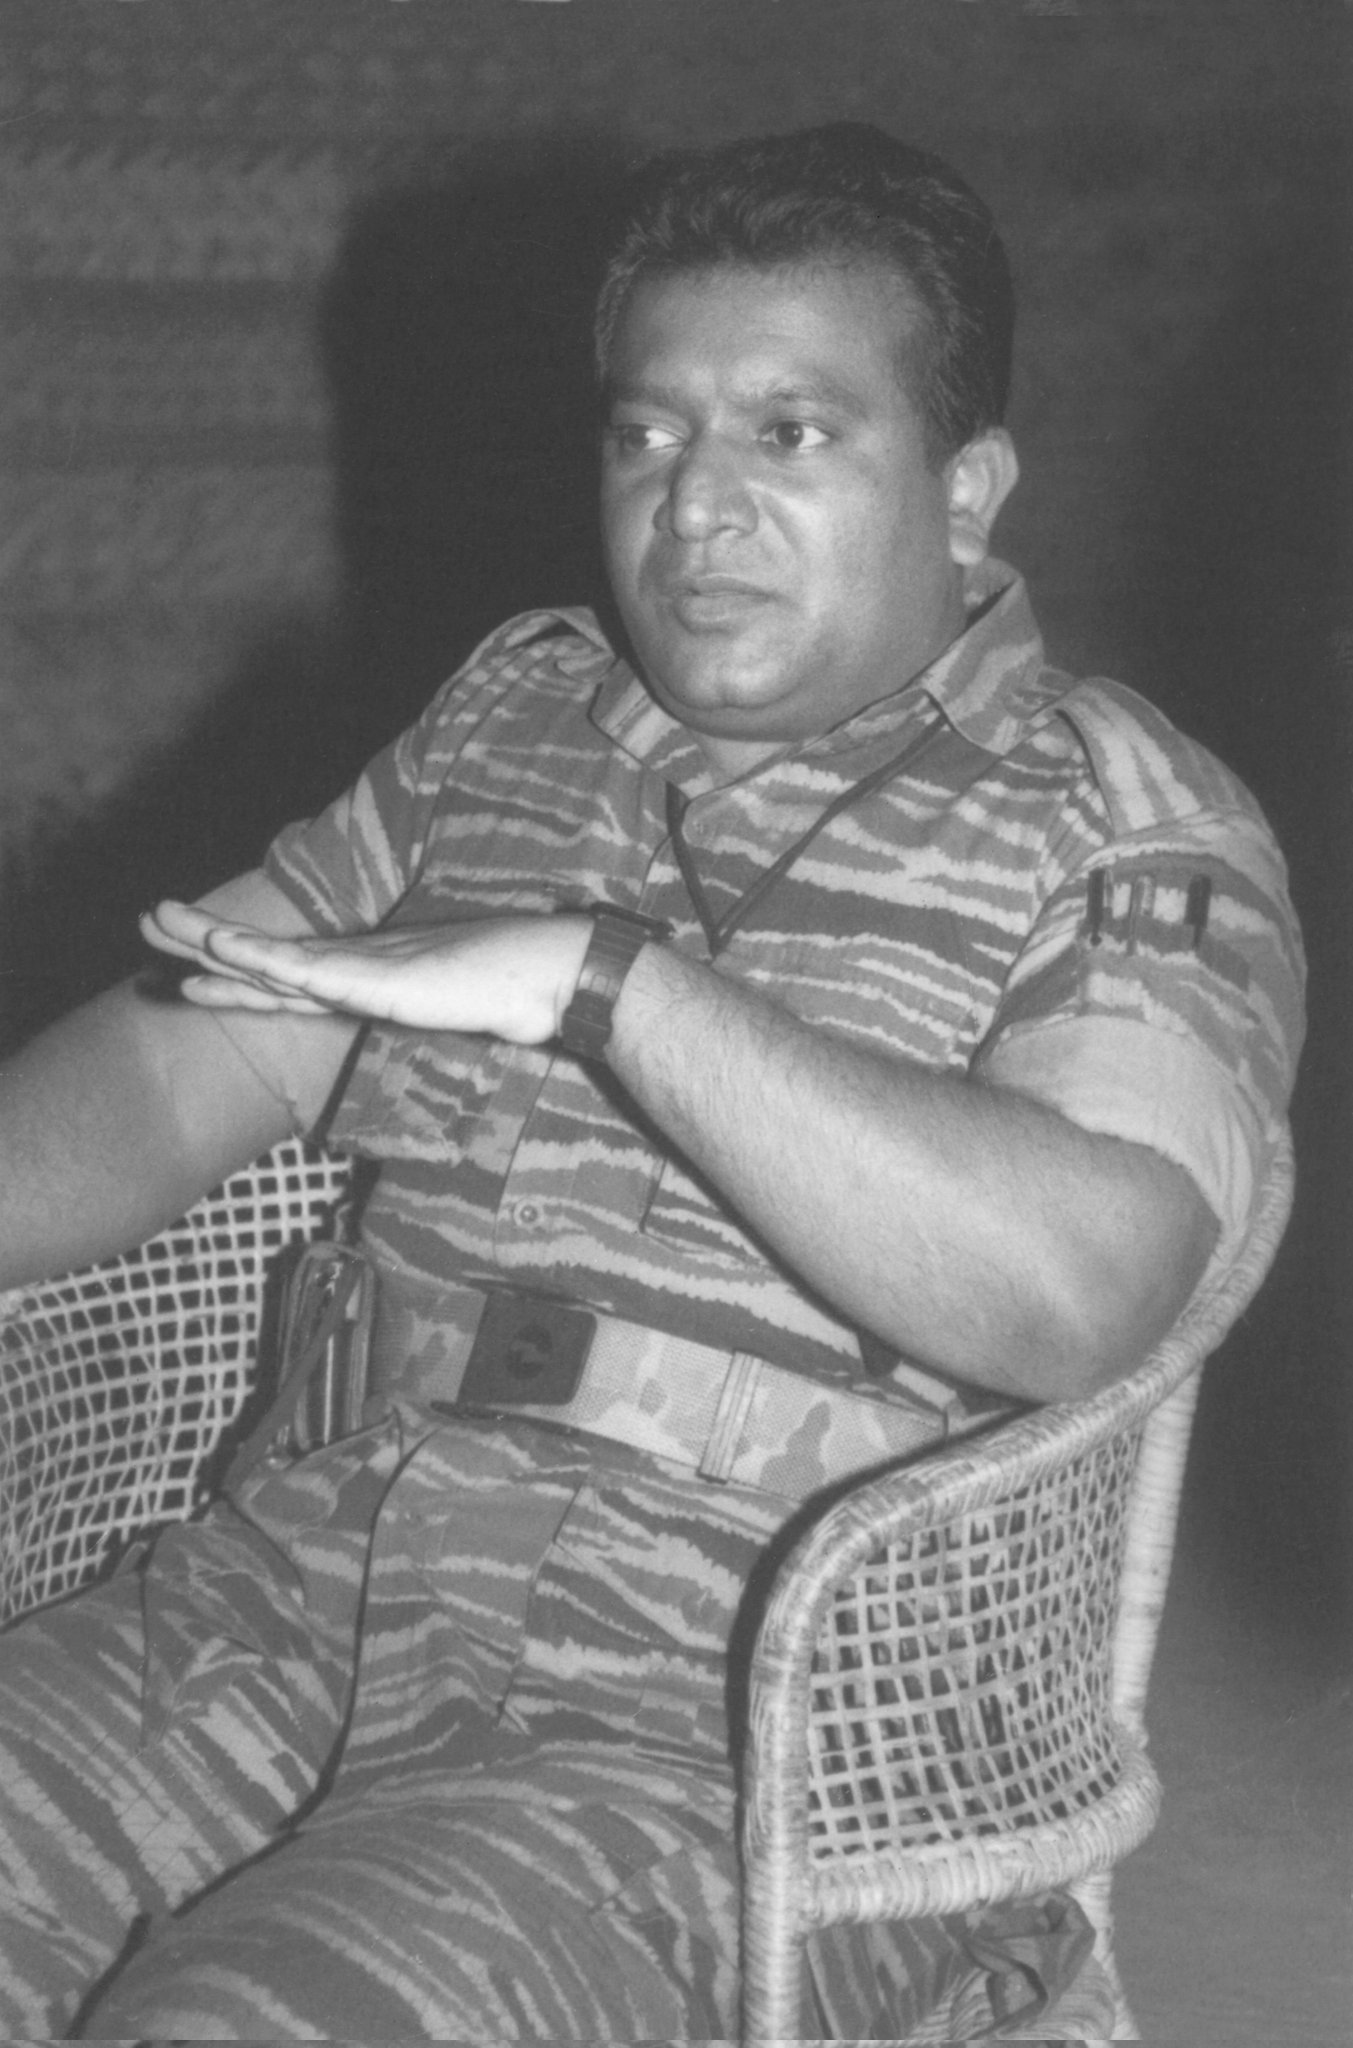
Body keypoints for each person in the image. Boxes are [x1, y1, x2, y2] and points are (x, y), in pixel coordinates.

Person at [0, 124, 1303, 2040]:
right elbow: (186, 1061)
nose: (694, 509)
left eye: (790, 434)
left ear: (963, 491)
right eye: (648, 434)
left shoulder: (1116, 823)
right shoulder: (508, 724)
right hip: (271, 1603)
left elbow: (1076, 1290)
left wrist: (613, 987)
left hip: (730, 1733)